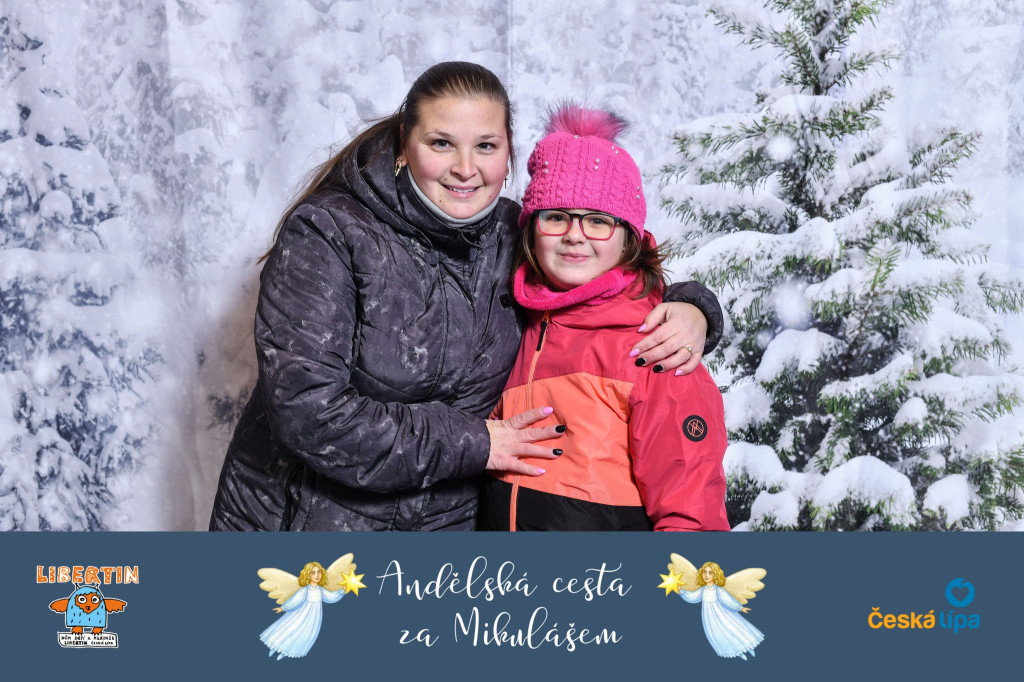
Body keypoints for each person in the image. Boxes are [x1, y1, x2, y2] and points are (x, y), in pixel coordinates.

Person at [208, 62, 724, 532]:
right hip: (314, 524)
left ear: (509, 153)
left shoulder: (514, 233)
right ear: (405, 144)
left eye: (485, 146)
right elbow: (308, 411)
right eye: (441, 143)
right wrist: (478, 442)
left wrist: (692, 307)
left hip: (446, 538)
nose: (464, 168)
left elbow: (599, 279)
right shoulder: (328, 234)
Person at [478, 104, 729, 532]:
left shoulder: (659, 347)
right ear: (532, 230)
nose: (574, 235)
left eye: (598, 221)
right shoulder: (517, 323)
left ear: (629, 237)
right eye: (556, 217)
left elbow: (692, 518)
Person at [679, 562, 764, 660]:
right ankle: (739, 653)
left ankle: (749, 648)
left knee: (733, 630)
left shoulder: (718, 590)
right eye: (704, 572)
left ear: (715, 575)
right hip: (710, 618)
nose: (706, 575)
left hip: (723, 615)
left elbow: (728, 600)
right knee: (721, 635)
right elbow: (692, 597)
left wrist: (740, 608)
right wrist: (681, 591)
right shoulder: (702, 590)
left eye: (710, 573)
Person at [260, 562, 344, 660]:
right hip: (300, 615)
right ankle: (274, 648)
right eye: (313, 573)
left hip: (313, 618)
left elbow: (331, 597)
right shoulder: (305, 590)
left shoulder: (321, 590)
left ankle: (284, 653)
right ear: (308, 575)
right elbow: (295, 600)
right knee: (290, 630)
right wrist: (283, 608)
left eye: (319, 572)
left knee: (302, 635)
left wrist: (342, 591)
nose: (317, 575)